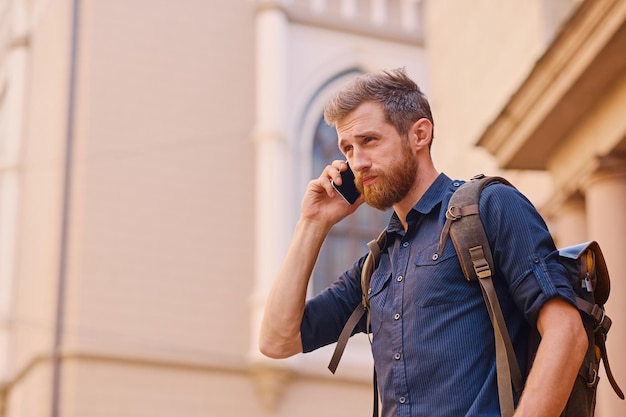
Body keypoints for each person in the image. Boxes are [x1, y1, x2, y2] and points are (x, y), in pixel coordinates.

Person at [258, 67, 587, 417]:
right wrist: (312, 223)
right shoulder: (376, 265)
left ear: (420, 134)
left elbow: (566, 333)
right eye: (347, 148)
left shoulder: (489, 207)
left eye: (369, 141)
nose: (357, 162)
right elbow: (277, 341)